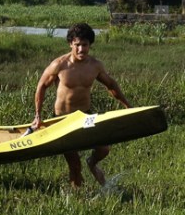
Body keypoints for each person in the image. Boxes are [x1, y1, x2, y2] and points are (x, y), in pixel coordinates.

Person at [32, 22, 131, 189]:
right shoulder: (59, 64)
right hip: (63, 120)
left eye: (84, 45)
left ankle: (92, 163)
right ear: (71, 44)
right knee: (75, 165)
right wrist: (38, 115)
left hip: (85, 116)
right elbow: (41, 86)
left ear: (89, 45)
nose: (81, 50)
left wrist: (127, 106)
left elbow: (111, 85)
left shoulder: (95, 66)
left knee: (104, 149)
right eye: (77, 45)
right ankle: (78, 197)